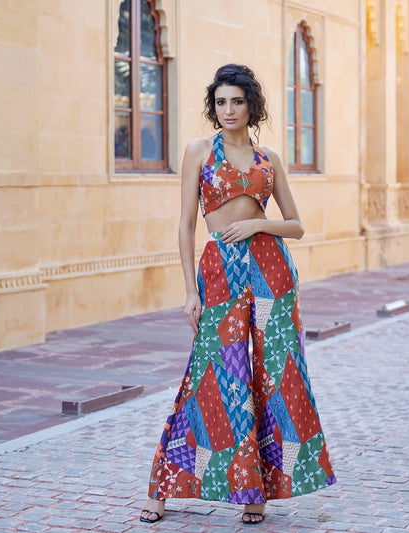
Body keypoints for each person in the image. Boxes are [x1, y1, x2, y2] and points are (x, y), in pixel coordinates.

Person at [140, 64, 336, 526]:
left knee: (276, 378)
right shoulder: (197, 153)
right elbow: (187, 224)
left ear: (252, 106)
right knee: (212, 374)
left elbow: (298, 226)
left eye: (237, 101)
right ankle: (163, 486)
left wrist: (259, 223)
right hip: (220, 272)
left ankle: (257, 493)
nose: (228, 110)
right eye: (221, 102)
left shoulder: (268, 157)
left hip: (272, 271)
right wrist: (191, 290)